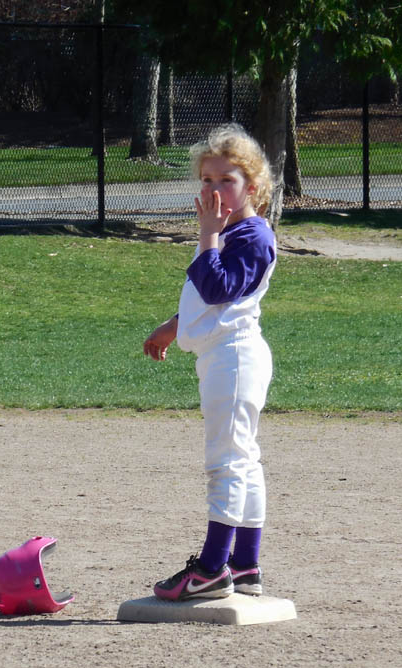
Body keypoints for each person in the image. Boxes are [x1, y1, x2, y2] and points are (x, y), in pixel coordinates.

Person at [143, 123, 276, 602]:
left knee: (226, 463)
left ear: (253, 188)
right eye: (207, 180)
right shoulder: (231, 232)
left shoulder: (252, 235)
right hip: (224, 354)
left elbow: (218, 287)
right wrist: (175, 325)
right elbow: (212, 302)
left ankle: (212, 567)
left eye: (227, 180)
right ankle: (245, 566)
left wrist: (207, 235)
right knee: (243, 460)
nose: (214, 189)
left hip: (235, 358)